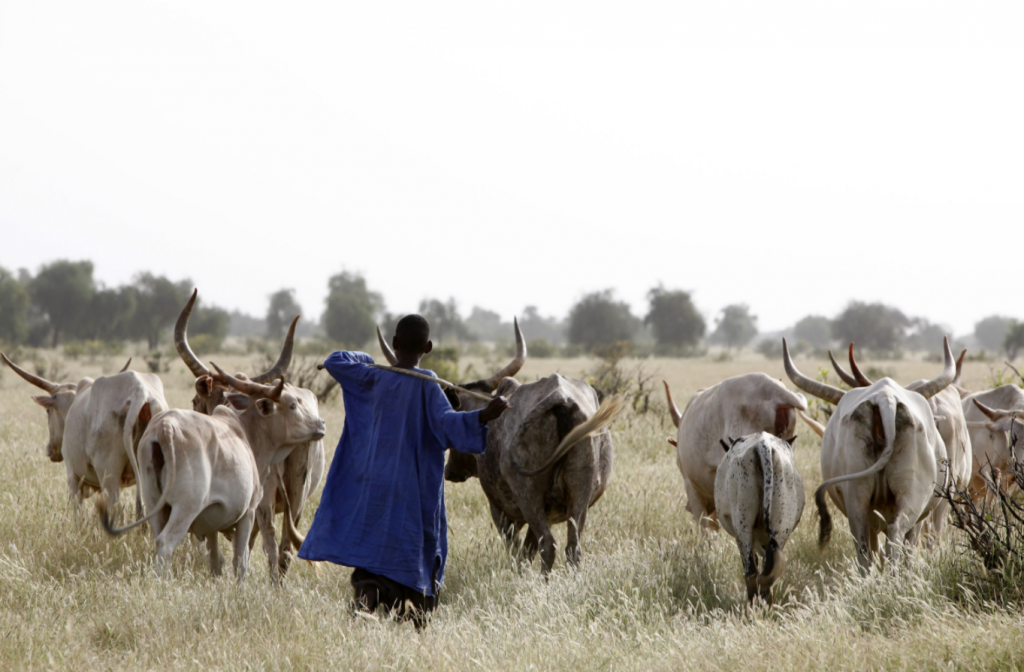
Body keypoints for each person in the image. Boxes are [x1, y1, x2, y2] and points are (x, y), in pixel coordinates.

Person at [298, 314, 509, 627]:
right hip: (410, 491)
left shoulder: (370, 377)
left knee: (372, 551)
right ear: (428, 346)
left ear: (394, 344)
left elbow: (336, 360)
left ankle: (364, 606)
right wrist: (483, 416)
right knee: (411, 552)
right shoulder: (428, 388)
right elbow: (449, 426)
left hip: (373, 487)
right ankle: (410, 619)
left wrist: (368, 361)